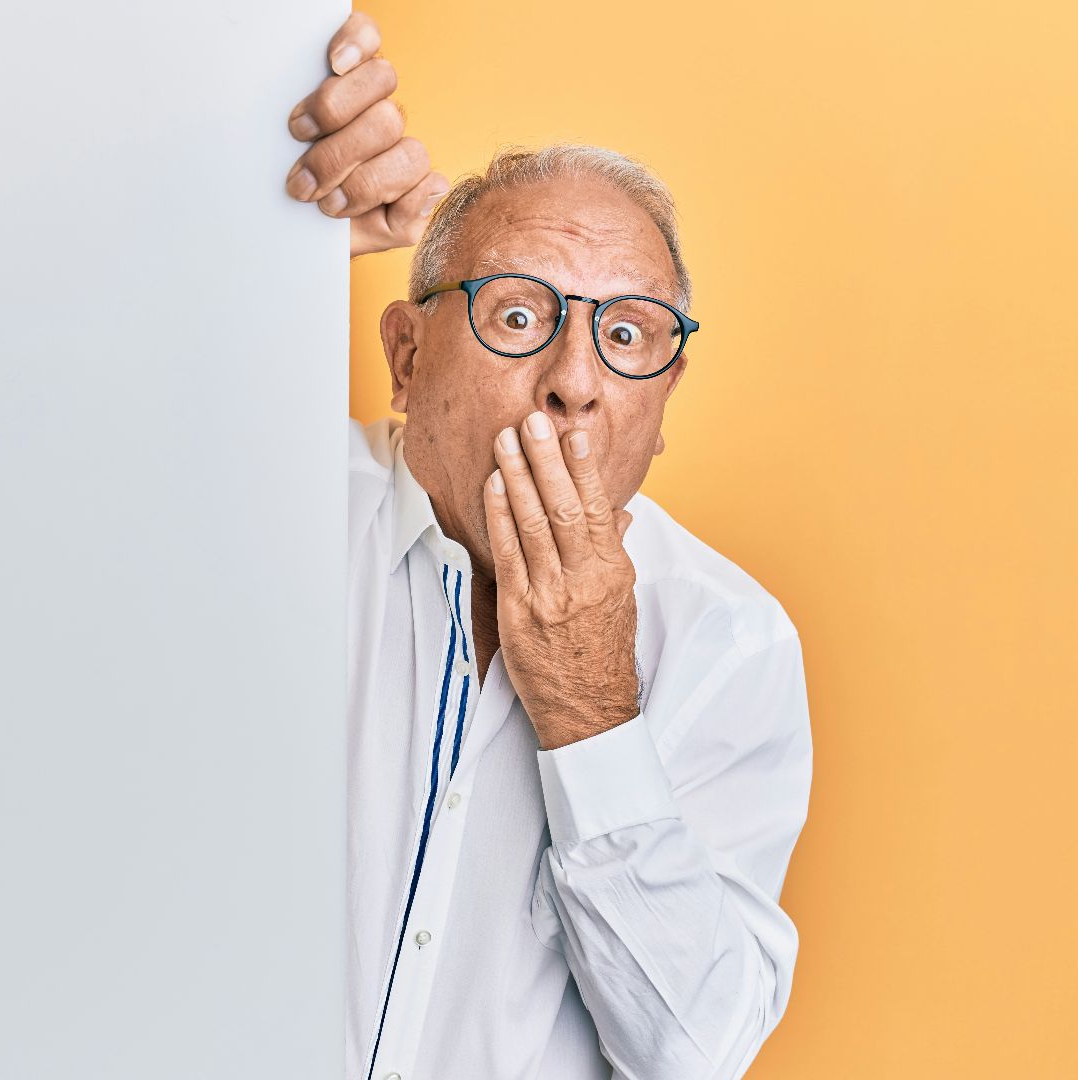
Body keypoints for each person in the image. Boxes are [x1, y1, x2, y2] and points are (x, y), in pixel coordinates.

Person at [287, 13, 814, 1080]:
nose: (575, 381)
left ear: (662, 408)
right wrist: (238, 222)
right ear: (405, 354)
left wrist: (588, 710)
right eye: (519, 315)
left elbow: (692, 1054)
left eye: (627, 336)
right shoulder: (272, 511)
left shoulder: (730, 644)